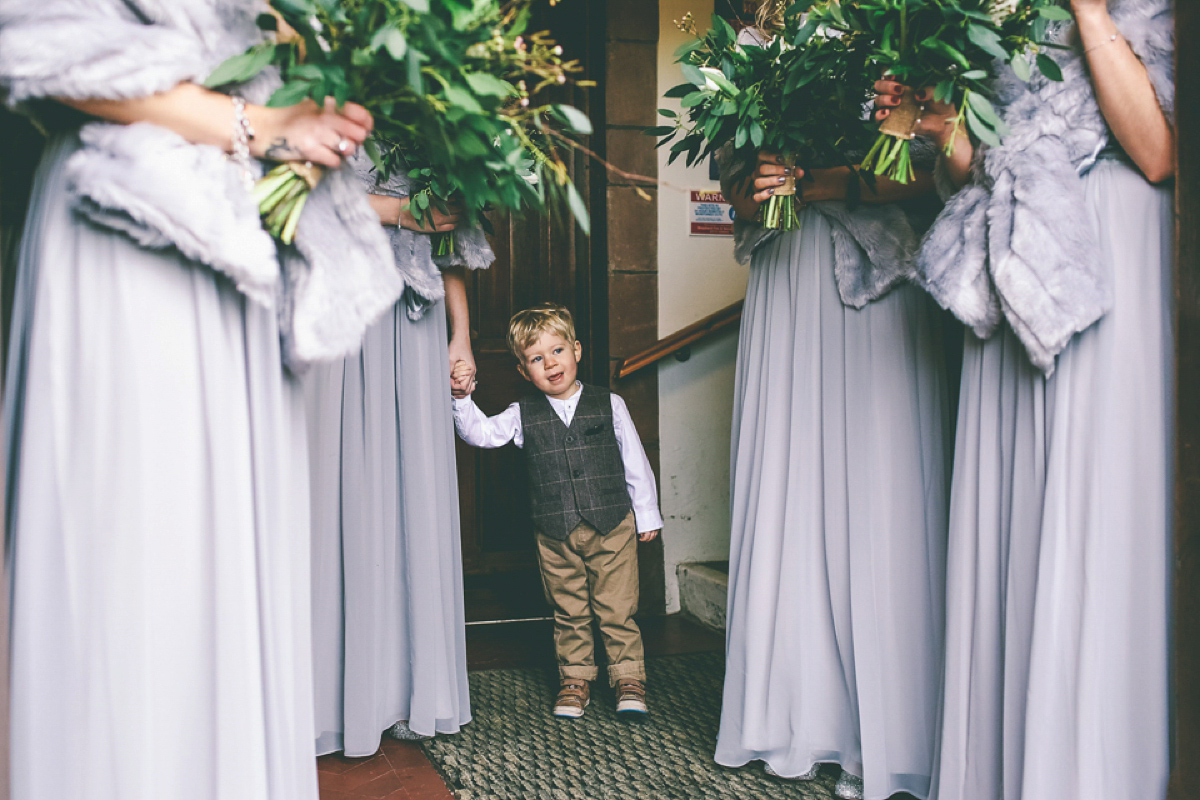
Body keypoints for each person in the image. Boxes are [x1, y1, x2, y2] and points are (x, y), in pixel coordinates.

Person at [0, 2, 403, 798]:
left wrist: (320, 120)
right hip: (127, 219)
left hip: (239, 243)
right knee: (137, 550)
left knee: (225, 558)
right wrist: (258, 123)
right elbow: (37, 41)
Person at [874, 1, 1175, 798]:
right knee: (1017, 510)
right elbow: (977, 166)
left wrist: (1086, 9)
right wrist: (943, 126)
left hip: (1111, 239)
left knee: (1097, 500)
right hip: (1009, 247)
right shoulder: (996, 15)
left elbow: (1156, 151)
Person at [713, 11, 952, 800]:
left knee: (878, 482)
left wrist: (817, 180)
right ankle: (792, 712)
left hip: (877, 280)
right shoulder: (748, 49)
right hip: (786, 276)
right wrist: (765, 182)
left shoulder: (896, 33)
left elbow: (929, 172)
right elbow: (737, 199)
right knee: (792, 477)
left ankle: (886, 724)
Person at [307, 149, 493, 757]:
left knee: (413, 493)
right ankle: (331, 695)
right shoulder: (321, 85)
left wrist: (460, 336)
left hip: (415, 321)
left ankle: (413, 689)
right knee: (340, 487)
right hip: (339, 306)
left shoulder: (438, 116)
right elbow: (286, 193)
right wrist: (398, 212)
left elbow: (450, 244)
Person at [450, 303, 662, 718]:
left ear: (577, 351)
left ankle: (628, 677)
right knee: (569, 609)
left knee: (617, 607)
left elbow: (635, 460)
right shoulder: (521, 414)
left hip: (612, 524)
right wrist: (461, 399)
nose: (550, 363)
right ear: (522, 371)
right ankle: (576, 677)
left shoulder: (609, 404)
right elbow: (481, 435)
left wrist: (647, 514)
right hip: (554, 531)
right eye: (536, 358)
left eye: (557, 350)